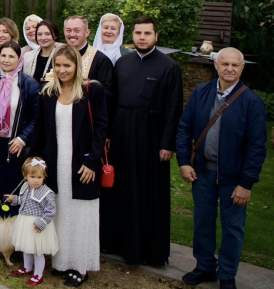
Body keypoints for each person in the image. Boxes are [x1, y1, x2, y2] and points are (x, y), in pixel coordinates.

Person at [176, 48, 267, 289]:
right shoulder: (201, 92)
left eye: (235, 65)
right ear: (215, 65)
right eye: (224, 63)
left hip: (233, 178)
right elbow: (184, 128)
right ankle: (205, 267)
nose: (229, 68)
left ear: (242, 68)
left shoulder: (251, 102)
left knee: (233, 228)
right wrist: (184, 162)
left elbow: (257, 148)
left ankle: (227, 275)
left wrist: (246, 184)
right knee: (203, 222)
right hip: (203, 173)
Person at [100, 16, 183, 265]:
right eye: (138, 33)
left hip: (152, 136)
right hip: (122, 134)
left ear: (156, 36)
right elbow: (112, 102)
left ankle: (150, 251)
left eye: (147, 33)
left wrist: (168, 143)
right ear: (132, 36)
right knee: (121, 189)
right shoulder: (122, 63)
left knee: (149, 192)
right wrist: (108, 135)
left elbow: (174, 108)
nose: (142, 37)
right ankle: (117, 244)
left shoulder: (169, 66)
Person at [29, 45, 108, 288]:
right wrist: (36, 160)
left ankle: (80, 266)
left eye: (68, 66)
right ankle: (62, 262)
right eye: (58, 65)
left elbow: (102, 128)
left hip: (82, 164)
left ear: (77, 66)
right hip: (55, 163)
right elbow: (40, 130)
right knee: (60, 212)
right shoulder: (48, 92)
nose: (62, 70)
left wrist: (92, 161)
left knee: (81, 215)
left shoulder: (91, 90)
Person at [0, 41, 40, 217]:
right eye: (3, 55)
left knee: (14, 187)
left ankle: (16, 232)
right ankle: (0, 229)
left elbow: (38, 117)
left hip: (17, 144)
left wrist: (23, 138)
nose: (6, 60)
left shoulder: (29, 84)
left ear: (19, 59)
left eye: (11, 56)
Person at [6, 157, 60, 287]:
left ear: (44, 177)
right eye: (32, 176)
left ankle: (38, 273)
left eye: (39, 177)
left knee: (37, 250)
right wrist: (13, 199)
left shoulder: (46, 193)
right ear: (25, 176)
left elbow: (51, 210)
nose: (36, 180)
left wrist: (42, 222)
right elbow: (23, 200)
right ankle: (27, 268)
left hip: (37, 225)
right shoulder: (25, 187)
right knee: (27, 247)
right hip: (25, 223)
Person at [62, 16, 114, 102]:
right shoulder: (59, 56)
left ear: (87, 32)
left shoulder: (101, 60)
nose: (72, 34)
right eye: (68, 30)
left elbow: (107, 94)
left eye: (77, 31)